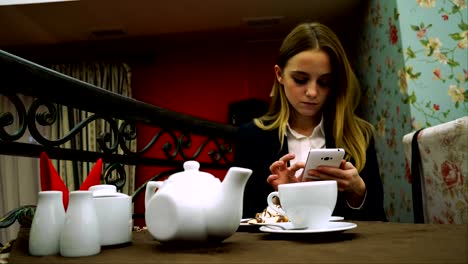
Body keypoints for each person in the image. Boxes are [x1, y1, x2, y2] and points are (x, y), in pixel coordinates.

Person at [234, 22, 387, 222]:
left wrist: (358, 192)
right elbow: (243, 223)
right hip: (279, 252)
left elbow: (379, 221)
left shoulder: (359, 134)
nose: (312, 92)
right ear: (279, 75)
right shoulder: (251, 137)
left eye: (324, 82)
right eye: (300, 79)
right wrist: (283, 199)